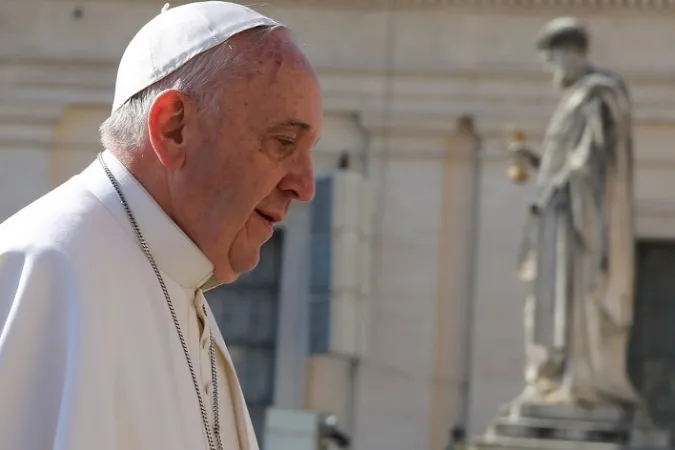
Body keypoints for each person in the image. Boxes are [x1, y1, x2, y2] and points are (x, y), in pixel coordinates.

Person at [0, 2, 322, 450]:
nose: (305, 187)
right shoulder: (50, 270)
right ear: (174, 129)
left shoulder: (177, 277)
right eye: (283, 142)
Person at [508, 17, 639, 408]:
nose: (550, 72)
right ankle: (553, 375)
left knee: (575, 297)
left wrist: (553, 185)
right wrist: (537, 164)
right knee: (550, 300)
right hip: (561, 214)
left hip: (580, 223)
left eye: (551, 62)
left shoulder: (597, 95)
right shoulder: (578, 98)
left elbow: (590, 161)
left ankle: (575, 378)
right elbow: (569, 161)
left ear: (568, 55)